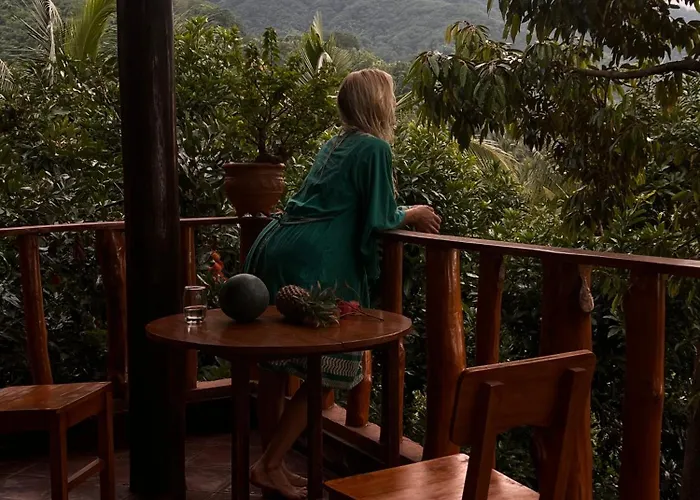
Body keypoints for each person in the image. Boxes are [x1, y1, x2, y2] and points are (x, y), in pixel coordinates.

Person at [244, 68, 441, 499]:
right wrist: (413, 213)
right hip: (316, 258)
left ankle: (271, 464)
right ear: (378, 103)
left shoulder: (335, 143)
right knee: (332, 367)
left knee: (275, 364)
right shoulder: (374, 148)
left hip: (278, 244)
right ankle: (270, 464)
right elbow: (380, 217)